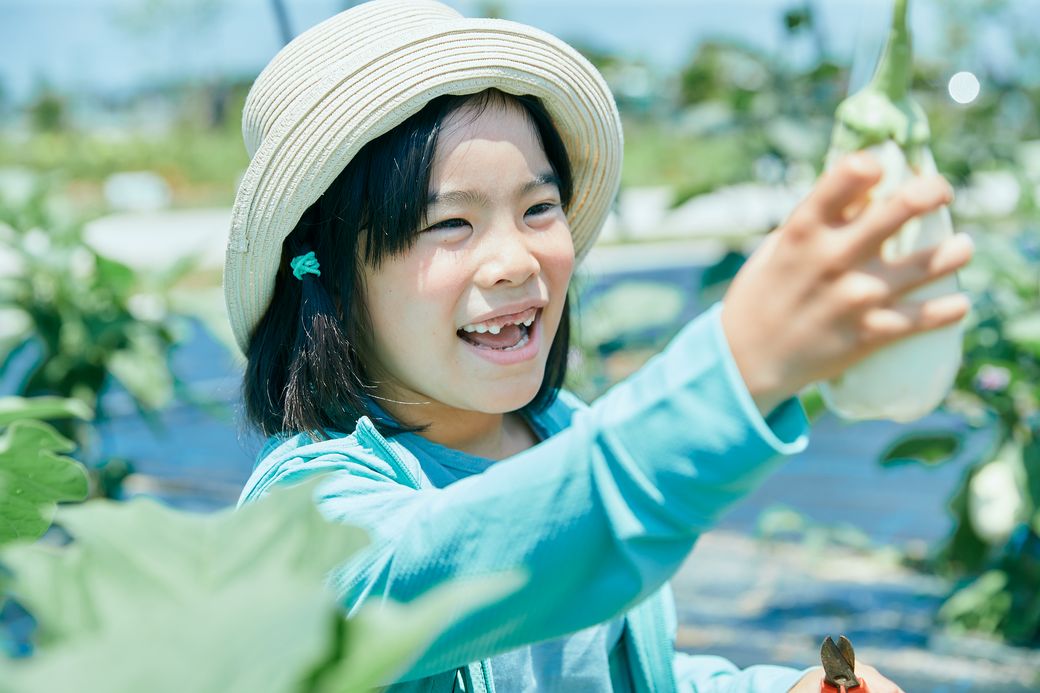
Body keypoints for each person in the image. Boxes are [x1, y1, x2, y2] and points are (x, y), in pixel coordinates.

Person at [227, 1, 972, 690]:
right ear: (326, 276)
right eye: (449, 223)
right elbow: (523, 542)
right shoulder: (306, 525)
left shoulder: (561, 432)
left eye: (539, 207)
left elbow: (632, 672)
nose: (516, 259)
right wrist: (739, 366)